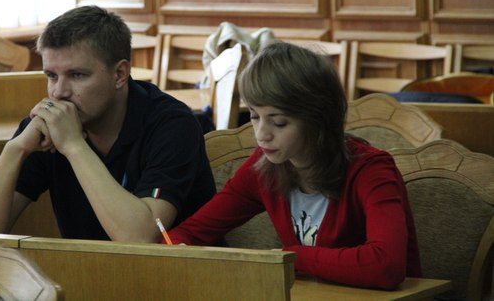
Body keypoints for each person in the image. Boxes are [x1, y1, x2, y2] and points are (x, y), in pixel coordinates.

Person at [165, 41, 422, 290]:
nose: (262, 135)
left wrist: (292, 257)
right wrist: (177, 249)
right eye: (254, 116)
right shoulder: (263, 167)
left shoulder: (371, 170)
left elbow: (386, 265)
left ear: (318, 119)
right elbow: (189, 233)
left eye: (278, 122)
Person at [0, 5, 217, 242]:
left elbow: (139, 238)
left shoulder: (172, 125)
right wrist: (15, 150)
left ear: (119, 74)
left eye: (77, 75)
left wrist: (74, 146)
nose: (59, 92)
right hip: (90, 271)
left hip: (181, 271)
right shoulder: (48, 124)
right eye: (51, 76)